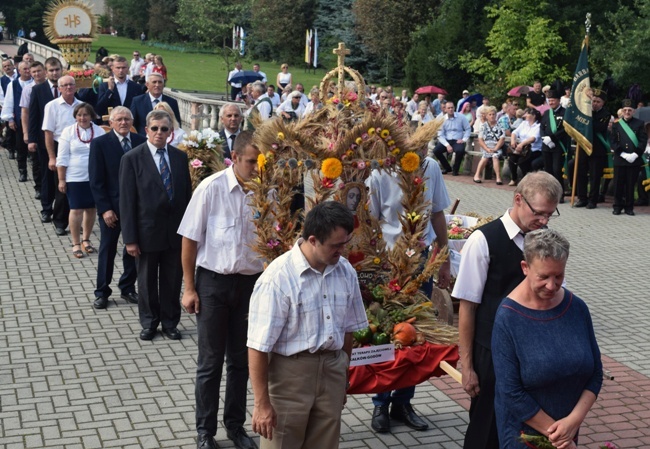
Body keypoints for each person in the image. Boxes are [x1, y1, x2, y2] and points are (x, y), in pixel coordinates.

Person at [453, 171, 562, 449]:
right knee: (485, 430)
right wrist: (468, 367)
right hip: (491, 355)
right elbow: (467, 307)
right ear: (518, 199)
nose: (544, 221)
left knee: (526, 430)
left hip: (533, 355)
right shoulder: (483, 240)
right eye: (539, 213)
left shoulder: (544, 241)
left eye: (551, 215)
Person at [247, 201, 368, 449]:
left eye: (345, 243)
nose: (342, 251)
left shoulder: (346, 272)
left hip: (332, 372)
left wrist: (342, 377)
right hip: (290, 377)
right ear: (312, 240)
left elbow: (348, 329)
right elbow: (258, 346)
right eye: (336, 246)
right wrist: (261, 404)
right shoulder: (278, 278)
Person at [178, 130, 263, 449]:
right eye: (252, 161)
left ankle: (236, 426)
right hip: (212, 284)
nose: (256, 167)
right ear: (236, 157)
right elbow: (189, 239)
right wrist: (189, 288)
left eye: (260, 161)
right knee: (210, 362)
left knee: (242, 361)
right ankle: (205, 431)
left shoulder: (264, 192)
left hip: (250, 286)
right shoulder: (211, 189)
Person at [492, 229, 602, 449]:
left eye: (558, 276)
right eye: (543, 277)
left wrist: (573, 422)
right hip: (525, 437)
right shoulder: (508, 318)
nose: (552, 285)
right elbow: (510, 392)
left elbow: (595, 373)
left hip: (566, 433)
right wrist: (560, 435)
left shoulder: (577, 308)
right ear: (525, 268)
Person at [366, 155, 451, 434]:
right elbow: (372, 220)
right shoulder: (380, 171)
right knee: (387, 330)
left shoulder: (431, 166)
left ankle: (403, 403)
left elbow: (437, 212)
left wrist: (444, 256)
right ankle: (381, 402)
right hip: (388, 261)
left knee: (414, 332)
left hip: (420, 260)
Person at [119, 109, 192, 341]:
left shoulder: (180, 158)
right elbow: (127, 201)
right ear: (146, 130)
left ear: (170, 132)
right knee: (147, 281)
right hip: (146, 232)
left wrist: (190, 233)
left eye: (164, 129)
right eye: (155, 129)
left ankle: (170, 322)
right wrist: (130, 238)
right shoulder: (132, 158)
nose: (159, 133)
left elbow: (186, 198)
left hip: (175, 234)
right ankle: (149, 322)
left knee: (172, 280)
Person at [89, 106, 145, 309]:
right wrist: (104, 209)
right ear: (110, 122)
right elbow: (96, 181)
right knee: (107, 249)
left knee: (133, 249)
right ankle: (102, 291)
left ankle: (128, 287)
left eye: (127, 119)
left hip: (137, 209)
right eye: (119, 119)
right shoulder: (100, 144)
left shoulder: (141, 142)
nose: (123, 123)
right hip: (111, 208)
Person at [56, 103, 105, 258]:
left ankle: (86, 240)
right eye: (79, 115)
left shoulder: (99, 131)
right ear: (75, 116)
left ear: (91, 116)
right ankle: (76, 242)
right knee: (76, 209)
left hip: (94, 177)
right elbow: (62, 157)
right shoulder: (68, 132)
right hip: (75, 177)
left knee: (91, 209)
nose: (82, 118)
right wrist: (61, 179)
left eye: (85, 115)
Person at [39, 70, 76, 236]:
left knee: (76, 186)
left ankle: (75, 220)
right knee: (62, 186)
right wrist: (52, 157)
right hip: (59, 147)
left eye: (71, 84)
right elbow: (48, 132)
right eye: (65, 85)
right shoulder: (52, 106)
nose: (68, 87)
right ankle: (60, 221)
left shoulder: (81, 106)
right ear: (59, 88)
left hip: (77, 148)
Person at [610, 99, 647, 216]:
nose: (627, 112)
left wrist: (635, 154)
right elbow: (613, 142)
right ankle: (617, 206)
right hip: (620, 159)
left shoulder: (640, 124)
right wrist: (623, 154)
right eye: (625, 110)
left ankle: (629, 207)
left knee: (631, 184)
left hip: (634, 159)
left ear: (633, 111)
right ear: (622, 111)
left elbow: (643, 141)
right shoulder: (616, 125)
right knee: (618, 184)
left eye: (629, 110)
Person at [575, 89, 610, 209]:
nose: (594, 103)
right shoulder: (585, 112)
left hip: (597, 150)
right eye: (593, 100)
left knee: (595, 176)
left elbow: (598, 127)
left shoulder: (605, 114)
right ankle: (582, 198)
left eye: (598, 101)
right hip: (583, 147)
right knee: (581, 173)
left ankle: (593, 200)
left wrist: (588, 117)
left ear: (602, 103)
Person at [1, 61, 33, 182]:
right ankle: (22, 171)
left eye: (29, 68)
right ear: (19, 71)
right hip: (19, 120)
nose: (27, 71)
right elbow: (9, 102)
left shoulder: (36, 83)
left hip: (35, 120)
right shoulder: (13, 85)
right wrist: (10, 119)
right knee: (20, 147)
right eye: (24, 69)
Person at [19, 61, 46, 199]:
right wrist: (26, 133)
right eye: (33, 72)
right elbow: (25, 112)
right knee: (37, 162)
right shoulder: (28, 89)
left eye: (39, 71)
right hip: (36, 130)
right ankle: (39, 187)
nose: (36, 74)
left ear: (44, 71)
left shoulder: (54, 87)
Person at [541, 90, 570, 202]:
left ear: (559, 100)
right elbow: (542, 127)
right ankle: (549, 194)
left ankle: (560, 194)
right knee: (548, 171)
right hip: (546, 146)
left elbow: (566, 129)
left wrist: (552, 138)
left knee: (557, 170)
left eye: (553, 100)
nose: (551, 102)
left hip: (559, 146)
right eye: (550, 100)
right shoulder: (547, 113)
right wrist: (545, 139)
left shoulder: (565, 113)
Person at [432, 102, 471, 176]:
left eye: (452, 107)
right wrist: (447, 145)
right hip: (447, 140)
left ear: (454, 108)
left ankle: (455, 170)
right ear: (445, 109)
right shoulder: (442, 119)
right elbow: (440, 135)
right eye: (448, 108)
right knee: (436, 150)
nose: (450, 109)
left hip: (457, 140)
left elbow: (468, 129)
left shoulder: (461, 117)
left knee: (460, 151)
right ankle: (447, 167)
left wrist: (464, 139)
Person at [508, 108, 543, 186]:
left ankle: (526, 180)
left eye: (527, 114)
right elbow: (515, 132)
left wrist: (522, 144)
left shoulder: (538, 126)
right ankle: (514, 178)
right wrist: (513, 141)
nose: (525, 115)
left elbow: (533, 138)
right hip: (522, 149)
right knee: (512, 160)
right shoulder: (524, 123)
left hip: (534, 149)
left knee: (522, 161)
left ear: (533, 116)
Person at [475, 106, 504, 185]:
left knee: (495, 156)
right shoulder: (483, 126)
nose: (492, 116)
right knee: (485, 156)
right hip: (486, 146)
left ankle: (498, 177)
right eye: (490, 114)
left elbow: (502, 139)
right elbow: (480, 139)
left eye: (493, 114)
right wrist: (486, 148)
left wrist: (495, 148)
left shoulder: (499, 125)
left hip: (496, 146)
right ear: (487, 116)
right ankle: (477, 175)